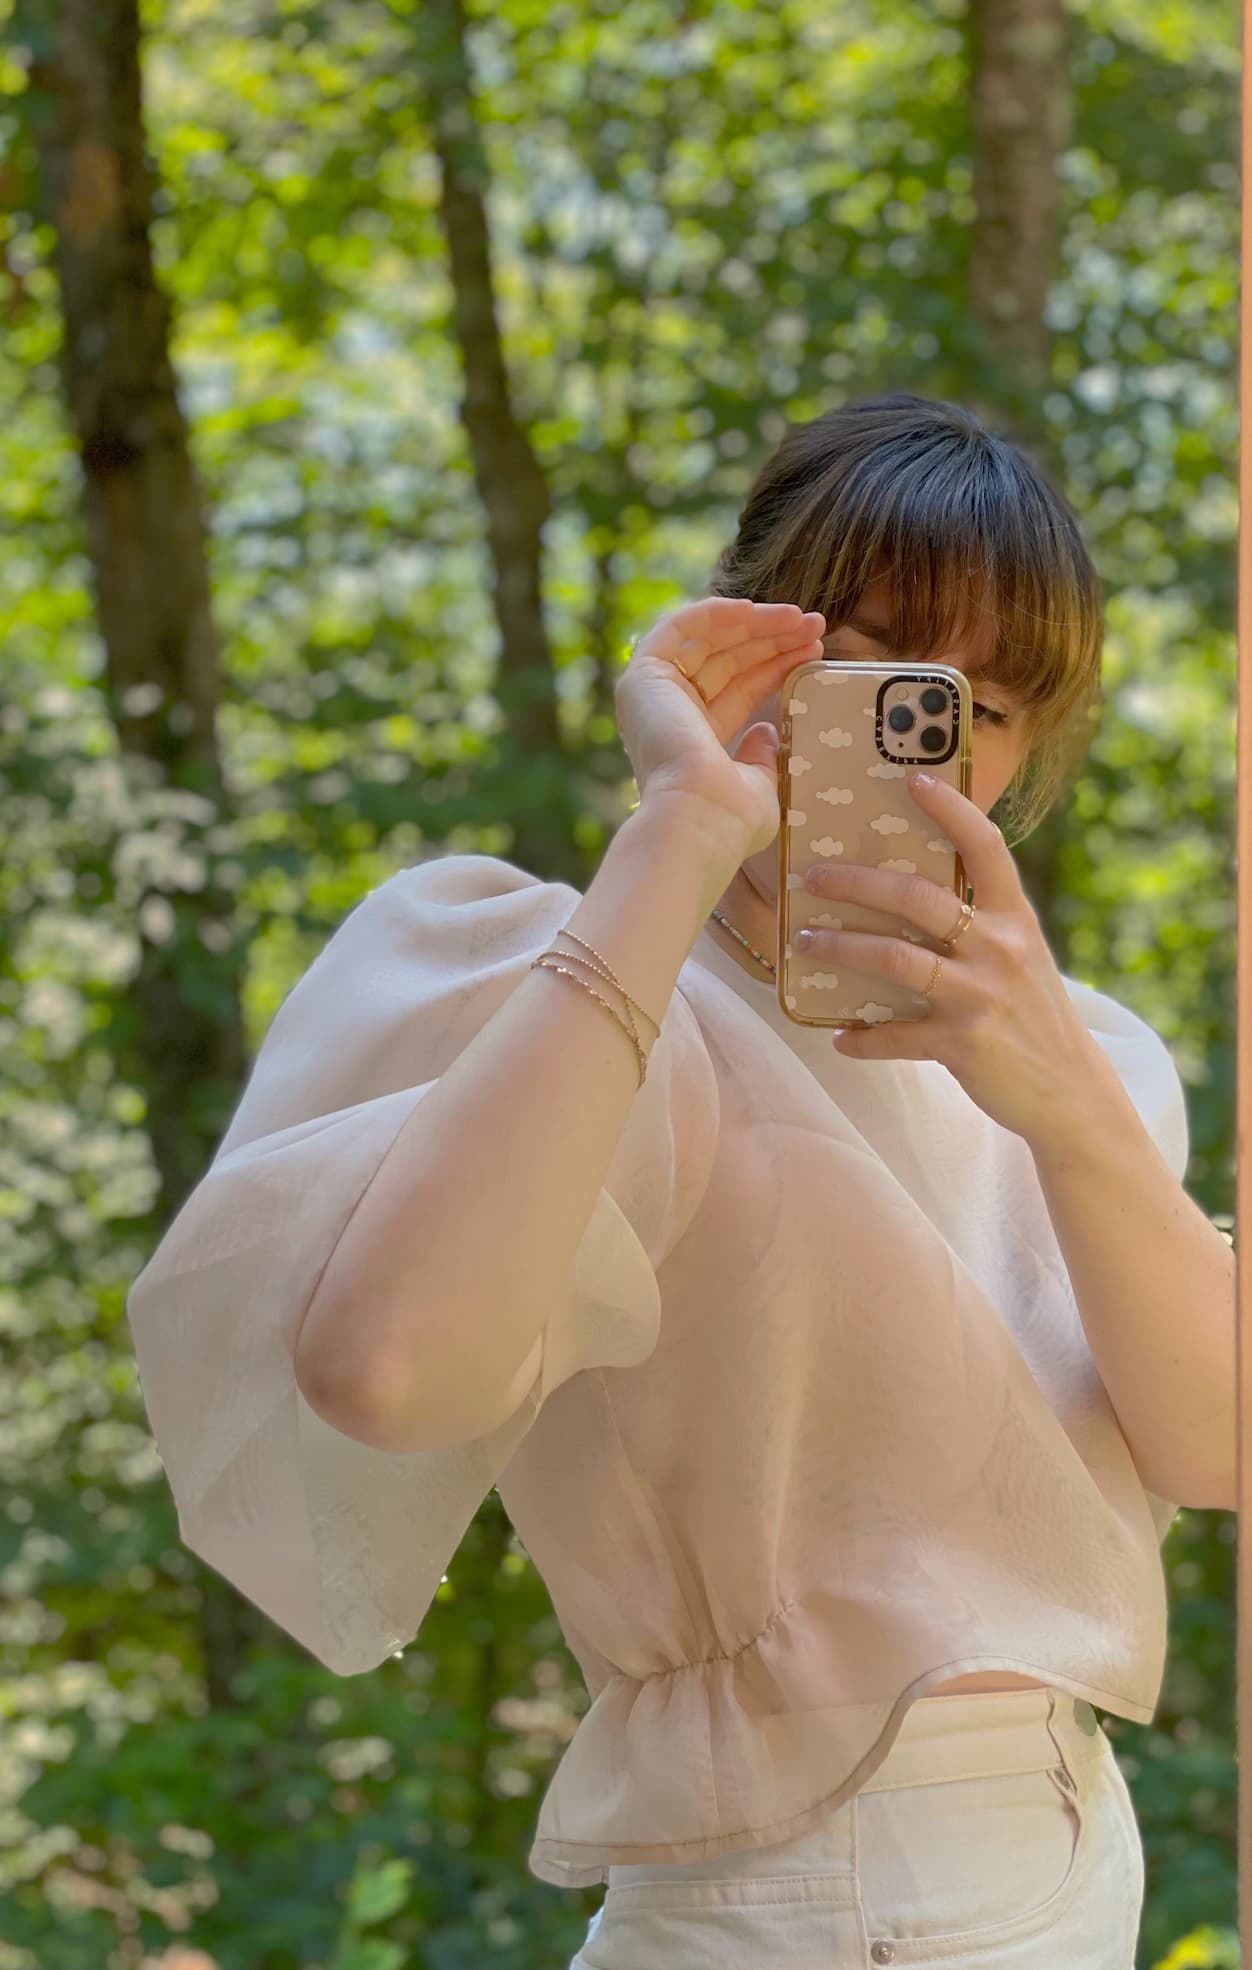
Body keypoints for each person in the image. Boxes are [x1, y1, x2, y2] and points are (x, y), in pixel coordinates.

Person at [126, 393, 1233, 1969]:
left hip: (1074, 1850)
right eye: (862, 655)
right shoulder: (601, 1011)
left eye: (979, 705)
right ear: (744, 635)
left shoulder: (1084, 1059)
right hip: (797, 1895)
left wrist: (1066, 1112)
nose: (918, 732)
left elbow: (1213, 1442)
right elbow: (383, 1367)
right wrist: (682, 830)